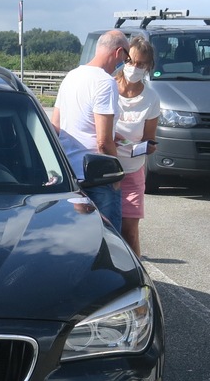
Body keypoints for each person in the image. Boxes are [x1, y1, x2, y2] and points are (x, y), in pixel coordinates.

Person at [52, 30, 131, 231]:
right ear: (118, 52)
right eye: (126, 57)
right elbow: (103, 142)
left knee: (78, 237)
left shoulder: (72, 76)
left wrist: (113, 134)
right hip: (97, 176)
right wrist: (115, 176)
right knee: (107, 239)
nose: (124, 62)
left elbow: (57, 126)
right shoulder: (105, 82)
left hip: (71, 173)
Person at [113, 36, 161, 255]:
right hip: (106, 170)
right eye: (131, 61)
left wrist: (148, 147)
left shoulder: (151, 98)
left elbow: (149, 139)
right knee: (107, 229)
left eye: (141, 64)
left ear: (148, 66)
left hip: (133, 170)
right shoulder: (109, 88)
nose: (134, 67)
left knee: (130, 231)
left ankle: (136, 276)